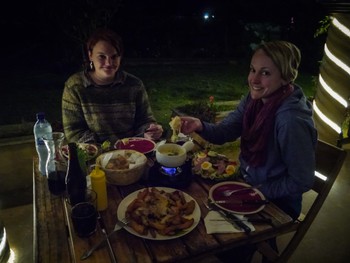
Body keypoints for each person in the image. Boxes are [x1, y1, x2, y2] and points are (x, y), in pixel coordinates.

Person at [181, 40, 317, 221]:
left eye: (265, 73)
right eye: (253, 70)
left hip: (278, 202)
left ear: (286, 77)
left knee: (219, 236)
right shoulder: (254, 100)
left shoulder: (291, 120)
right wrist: (200, 125)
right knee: (197, 206)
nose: (254, 79)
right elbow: (227, 130)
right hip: (247, 182)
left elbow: (302, 180)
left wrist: (258, 191)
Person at [62, 28, 163, 144]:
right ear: (90, 55)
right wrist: (105, 150)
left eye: (114, 57)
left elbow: (144, 120)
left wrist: (149, 131)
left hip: (132, 153)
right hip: (93, 155)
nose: (109, 63)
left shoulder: (134, 85)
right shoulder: (75, 86)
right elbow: (73, 131)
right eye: (102, 56)